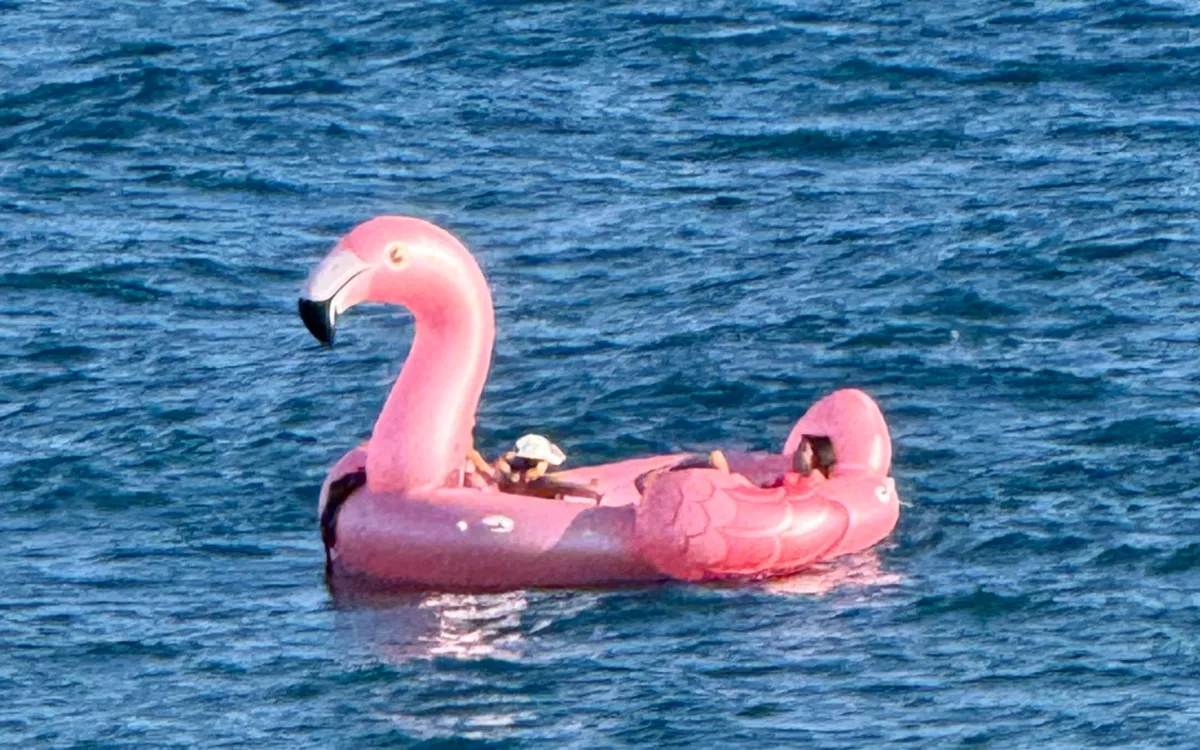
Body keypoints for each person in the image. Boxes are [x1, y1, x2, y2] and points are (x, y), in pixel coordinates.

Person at [467, 434, 603, 503]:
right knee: (557, 487)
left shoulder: (505, 470)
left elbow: (489, 467)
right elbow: (541, 478)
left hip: (512, 489)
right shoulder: (534, 477)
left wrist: (473, 455)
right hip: (531, 493)